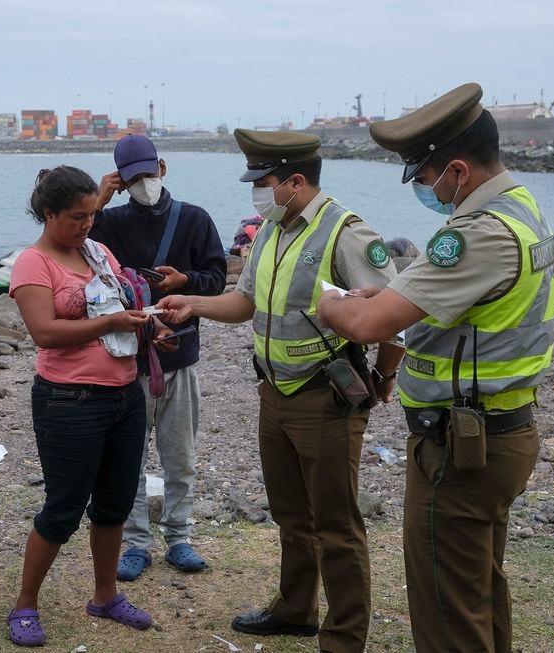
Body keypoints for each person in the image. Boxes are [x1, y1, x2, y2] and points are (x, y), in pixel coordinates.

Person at [316, 83, 554, 653]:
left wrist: (330, 304)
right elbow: (445, 304)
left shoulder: (477, 235)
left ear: (455, 169)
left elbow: (371, 327)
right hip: (501, 429)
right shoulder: (521, 209)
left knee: (447, 610)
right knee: (478, 589)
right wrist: (395, 293)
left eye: (423, 179)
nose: (428, 191)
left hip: (461, 447)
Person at [158, 129, 403, 653]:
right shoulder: (272, 229)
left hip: (327, 397)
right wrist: (194, 305)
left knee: (337, 525)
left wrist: (383, 379)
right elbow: (245, 302)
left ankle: (343, 637)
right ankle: (295, 610)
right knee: (291, 514)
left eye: (263, 182)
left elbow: (394, 321)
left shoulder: (347, 233)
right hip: (275, 393)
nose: (256, 192)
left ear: (295, 181)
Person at [6, 166, 176, 647]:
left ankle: (105, 596)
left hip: (124, 396)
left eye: (90, 215)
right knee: (62, 508)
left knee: (114, 505)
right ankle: (25, 604)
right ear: (48, 213)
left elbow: (123, 303)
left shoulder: (98, 252)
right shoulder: (32, 264)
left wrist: (151, 327)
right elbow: (44, 332)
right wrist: (111, 324)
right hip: (68, 400)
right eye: (77, 217)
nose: (86, 225)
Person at [90, 134, 227, 579]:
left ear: (163, 168)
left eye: (149, 174)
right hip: (127, 362)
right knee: (129, 458)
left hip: (180, 356)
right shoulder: (106, 224)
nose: (144, 184)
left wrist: (183, 280)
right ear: (121, 182)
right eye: (134, 180)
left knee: (180, 455)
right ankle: (135, 543)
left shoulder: (195, 219)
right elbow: (75, 252)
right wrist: (98, 199)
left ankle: (180, 536)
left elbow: (216, 279)